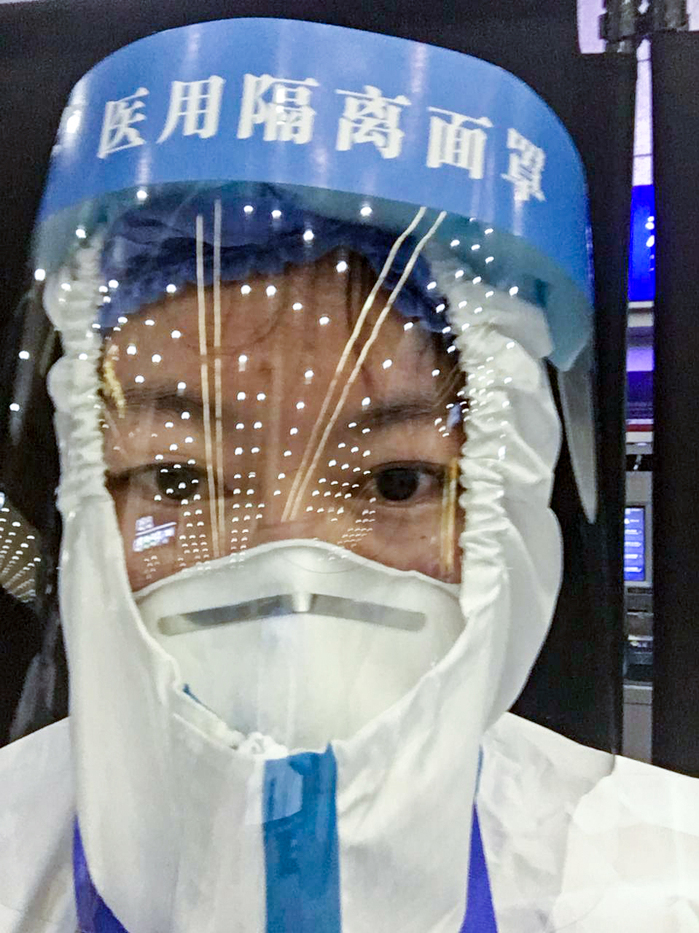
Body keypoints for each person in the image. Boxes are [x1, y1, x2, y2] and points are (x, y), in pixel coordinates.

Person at [1, 17, 698, 933]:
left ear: (512, 503)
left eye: (395, 482)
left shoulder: (659, 883)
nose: (292, 562)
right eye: (177, 479)